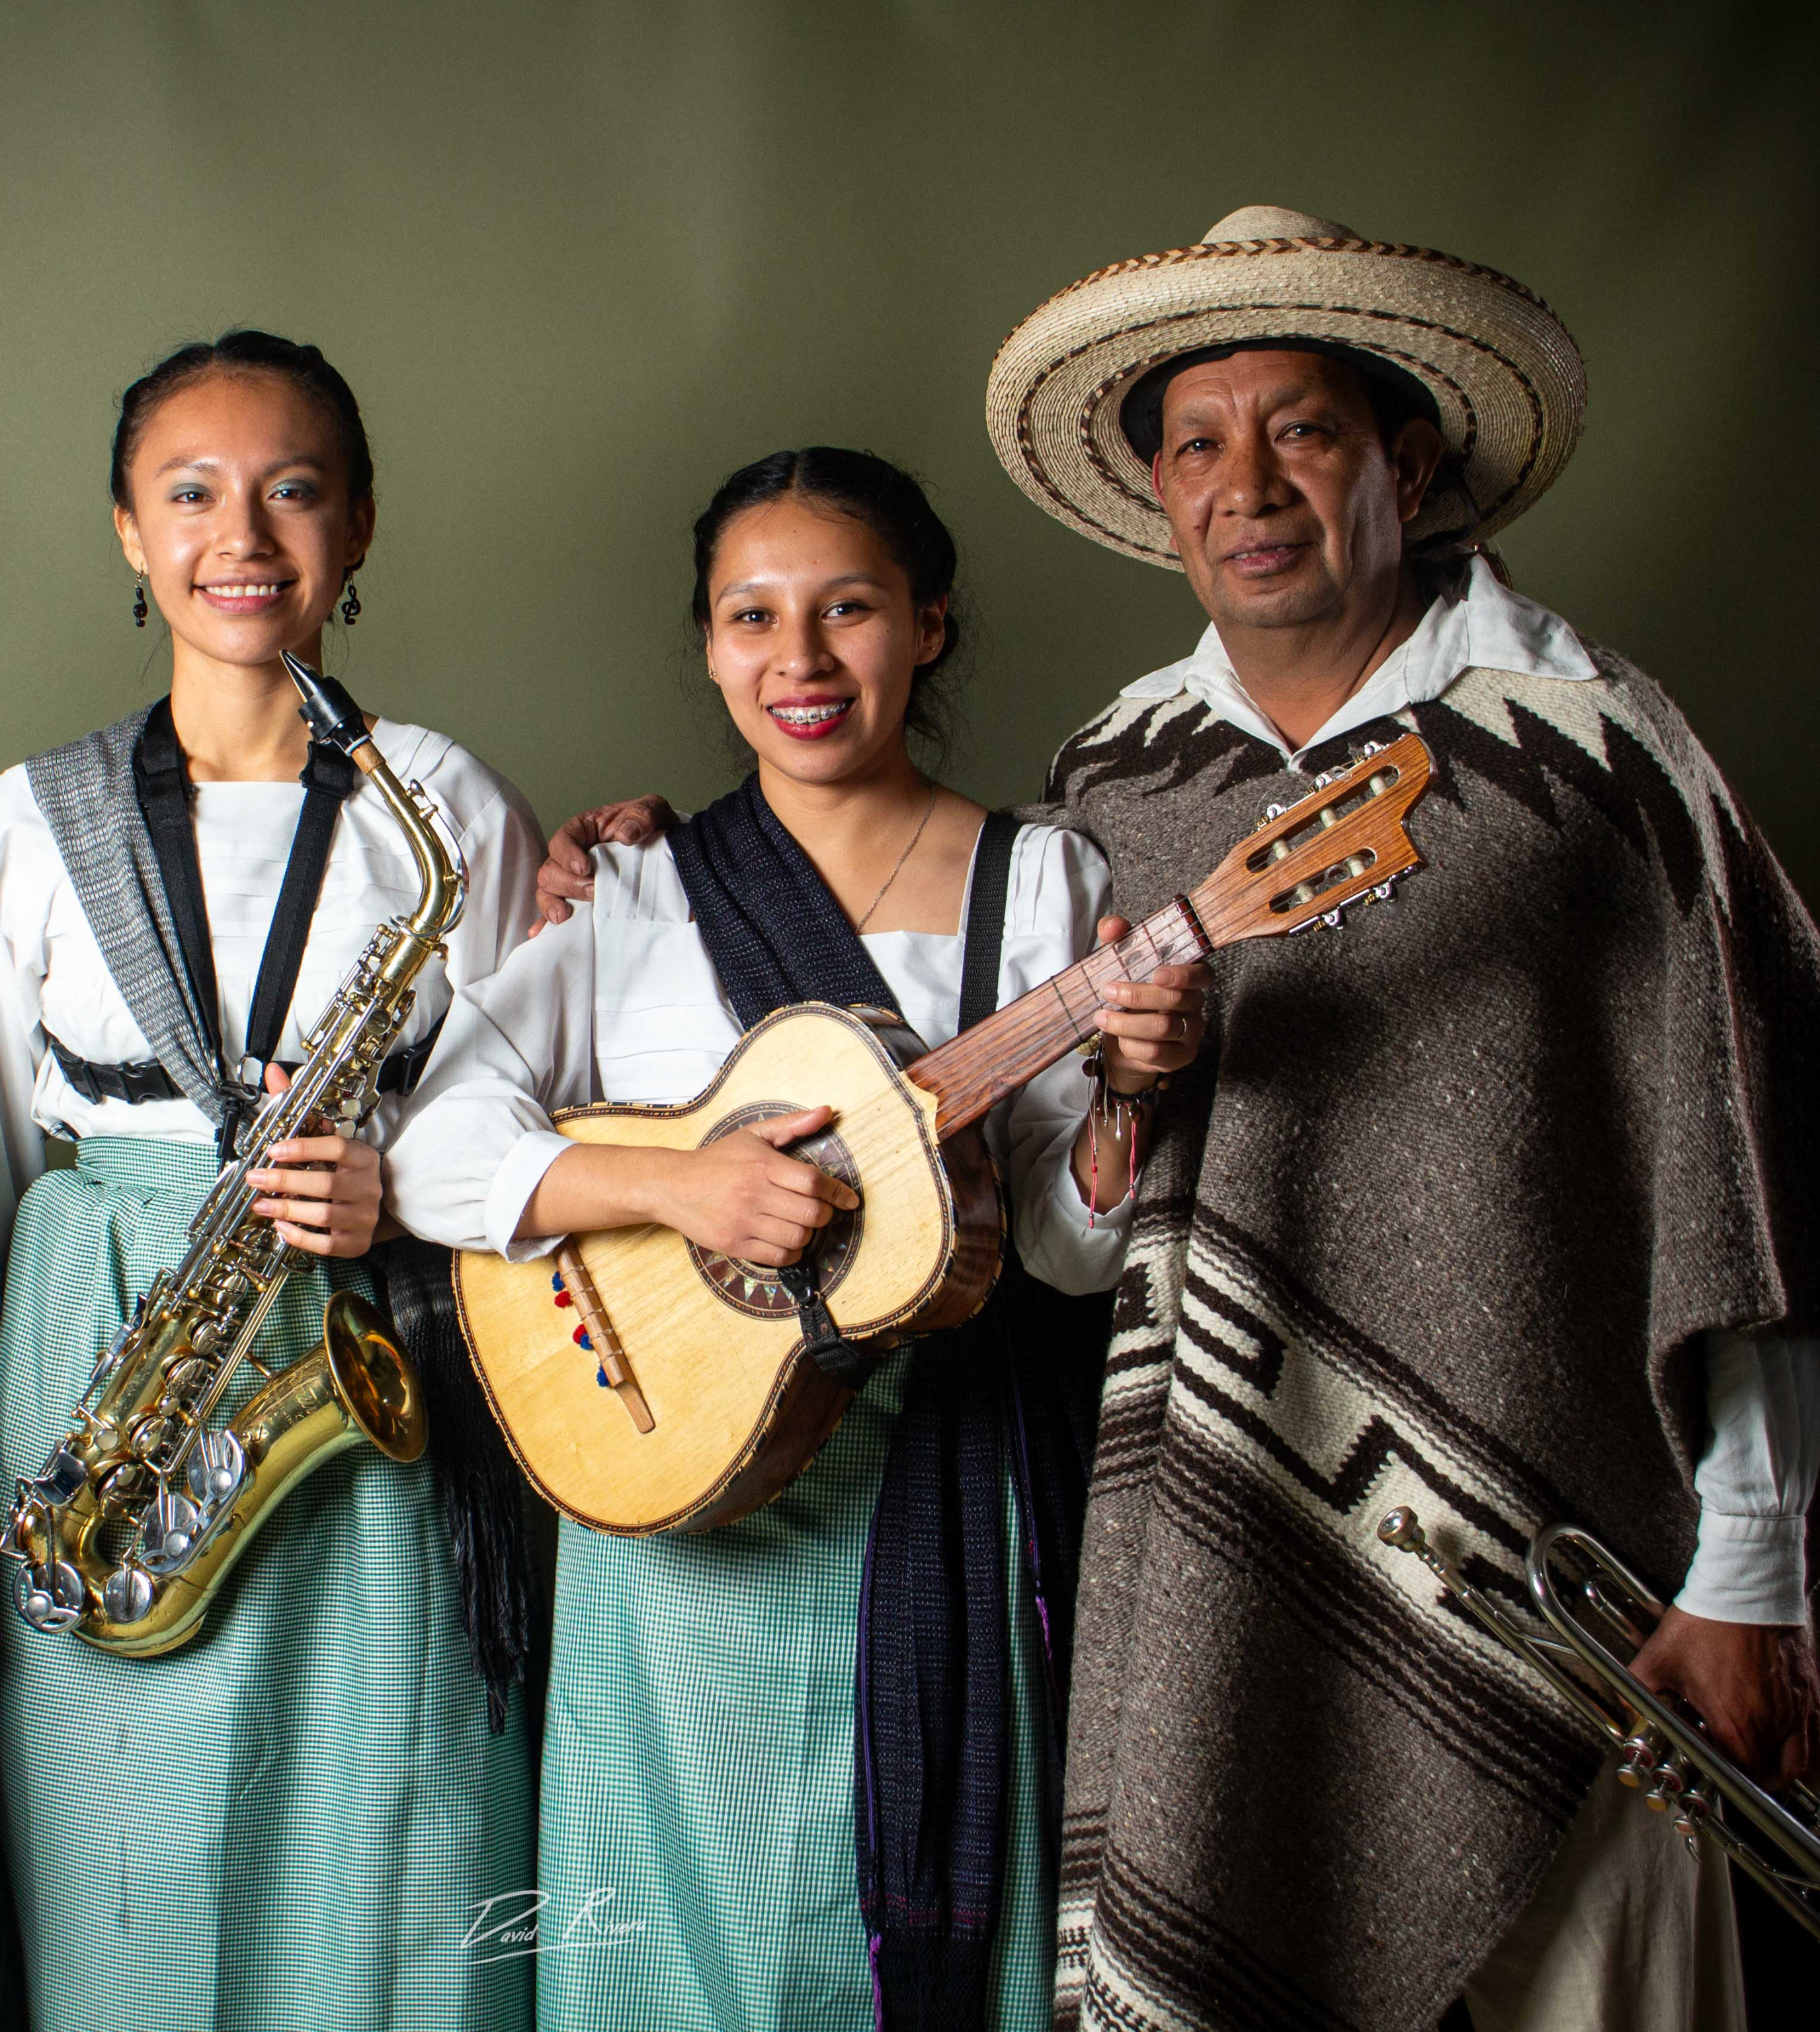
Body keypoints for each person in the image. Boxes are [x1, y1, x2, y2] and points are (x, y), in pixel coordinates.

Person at [543, 208, 1820, 2032]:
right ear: (1153, 490)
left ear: (1411, 452)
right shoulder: (1111, 788)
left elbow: (1756, 1177)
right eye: (1196, 443)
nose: (1248, 485)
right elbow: (1053, 1212)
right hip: (1209, 1579)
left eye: (1301, 428)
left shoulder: (1601, 763)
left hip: (1579, 1583)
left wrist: (1755, 1570)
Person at [387, 447, 1210, 2032]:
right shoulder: (631, 888)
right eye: (751, 617)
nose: (801, 661)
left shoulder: (1041, 880)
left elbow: (1062, 1244)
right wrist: (676, 1189)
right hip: (680, 1508)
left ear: (932, 627)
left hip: (950, 1482)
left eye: (849, 610)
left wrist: (1122, 1092)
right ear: (706, 645)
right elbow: (437, 1148)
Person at [0, 330, 546, 2032]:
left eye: (293, 490)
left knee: (397, 1828)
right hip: (102, 1344)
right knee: (111, 1830)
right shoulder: (19, 824)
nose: (243, 535)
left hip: (367, 1351)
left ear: (358, 525)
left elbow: (530, 1125)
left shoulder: (446, 802)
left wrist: (398, 1195)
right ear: (128, 533)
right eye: (189, 493)